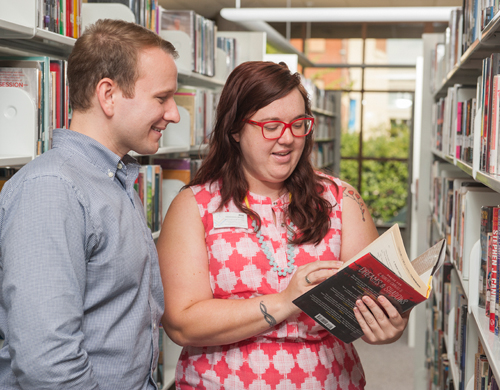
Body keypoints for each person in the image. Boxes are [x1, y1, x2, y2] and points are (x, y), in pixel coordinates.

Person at [157, 61, 409, 389]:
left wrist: (389, 327)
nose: (288, 138)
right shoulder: (194, 206)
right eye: (271, 125)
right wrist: (285, 300)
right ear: (234, 129)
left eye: (298, 124)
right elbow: (181, 324)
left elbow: (376, 303)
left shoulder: (341, 199)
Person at [0, 19, 180, 389]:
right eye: (162, 98)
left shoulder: (113, 180)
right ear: (108, 95)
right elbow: (47, 362)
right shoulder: (52, 189)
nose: (174, 113)